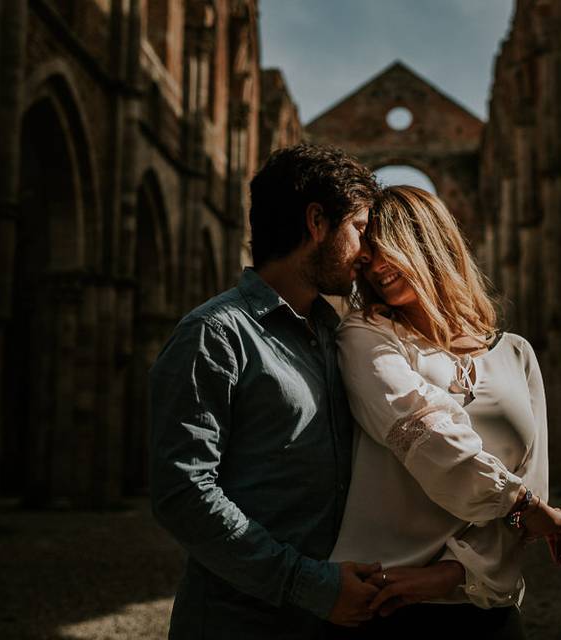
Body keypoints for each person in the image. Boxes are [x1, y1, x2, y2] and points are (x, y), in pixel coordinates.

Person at [148, 143, 385, 639]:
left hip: (329, 617)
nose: (367, 253)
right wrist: (308, 584)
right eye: (360, 230)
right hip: (240, 622)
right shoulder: (215, 334)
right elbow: (182, 492)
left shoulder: (334, 336)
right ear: (317, 222)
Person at [327, 185, 561, 637]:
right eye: (367, 260)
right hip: (383, 606)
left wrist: (451, 575)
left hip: (484, 608)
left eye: (390, 249)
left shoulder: (516, 354)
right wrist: (521, 503)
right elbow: (424, 434)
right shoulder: (363, 335)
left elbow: (531, 479)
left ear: (431, 240)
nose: (378, 267)